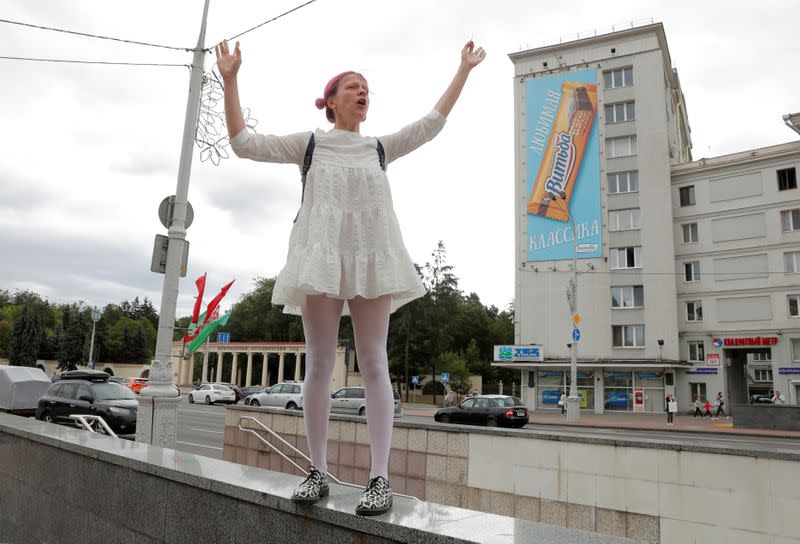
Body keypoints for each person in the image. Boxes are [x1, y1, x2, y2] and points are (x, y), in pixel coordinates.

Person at [216, 39, 485, 516]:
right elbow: (242, 144)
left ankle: (379, 479)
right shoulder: (310, 144)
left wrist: (462, 70)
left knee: (375, 362)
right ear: (331, 100)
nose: (363, 93)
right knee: (319, 364)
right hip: (321, 258)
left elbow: (431, 125)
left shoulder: (380, 148)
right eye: (352, 86)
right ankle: (316, 471)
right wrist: (231, 79)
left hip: (370, 257)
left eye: (366, 88)